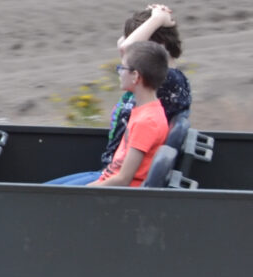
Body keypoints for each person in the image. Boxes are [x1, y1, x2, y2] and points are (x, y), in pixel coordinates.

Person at [56, 41, 169, 187]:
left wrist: (82, 192)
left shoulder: (147, 122)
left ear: (135, 76)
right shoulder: (146, 111)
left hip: (112, 195)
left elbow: (123, 179)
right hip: (105, 181)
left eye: (122, 68)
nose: (119, 72)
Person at [95, 4, 190, 174]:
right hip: (110, 171)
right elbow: (124, 45)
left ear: (157, 46)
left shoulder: (168, 79)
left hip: (118, 176)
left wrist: (156, 19)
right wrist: (150, 19)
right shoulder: (157, 77)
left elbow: (126, 48)